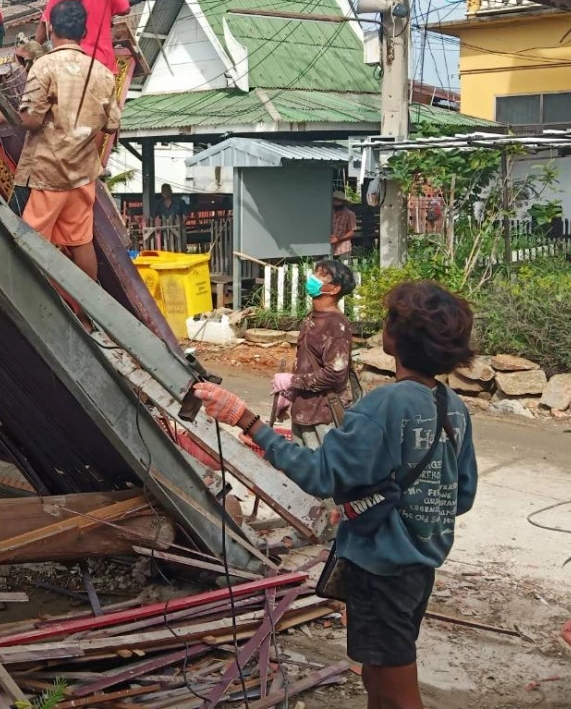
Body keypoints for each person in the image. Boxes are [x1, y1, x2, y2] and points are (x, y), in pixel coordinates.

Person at [193, 281, 478, 709]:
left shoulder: (383, 405)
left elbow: (319, 474)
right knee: (378, 677)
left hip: (381, 572)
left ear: (396, 337)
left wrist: (246, 420)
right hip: (419, 569)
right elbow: (463, 494)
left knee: (400, 691)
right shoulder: (453, 405)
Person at [14, 0, 122, 279]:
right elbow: (111, 125)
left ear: (50, 28)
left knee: (30, 244)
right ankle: (89, 306)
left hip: (48, 172)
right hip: (82, 174)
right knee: (80, 242)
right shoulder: (102, 72)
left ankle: (35, 302)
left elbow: (31, 119)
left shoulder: (44, 66)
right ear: (84, 32)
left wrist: (6, 115)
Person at [272, 259, 357, 449]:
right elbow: (306, 363)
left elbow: (334, 374)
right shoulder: (312, 318)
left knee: (320, 465)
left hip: (323, 417)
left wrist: (291, 381)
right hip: (303, 411)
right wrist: (289, 393)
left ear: (334, 289)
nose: (313, 278)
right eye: (315, 272)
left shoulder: (336, 324)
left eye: (322, 275)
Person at [36, 0, 130, 74]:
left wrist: (35, 47)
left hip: (76, 65)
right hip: (105, 65)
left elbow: (45, 23)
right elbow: (125, 9)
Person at [331, 190, 357, 258]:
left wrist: (338, 239)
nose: (336, 203)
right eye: (334, 200)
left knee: (345, 264)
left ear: (343, 202)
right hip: (330, 248)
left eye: (338, 201)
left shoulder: (350, 214)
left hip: (343, 248)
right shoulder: (330, 213)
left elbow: (352, 233)